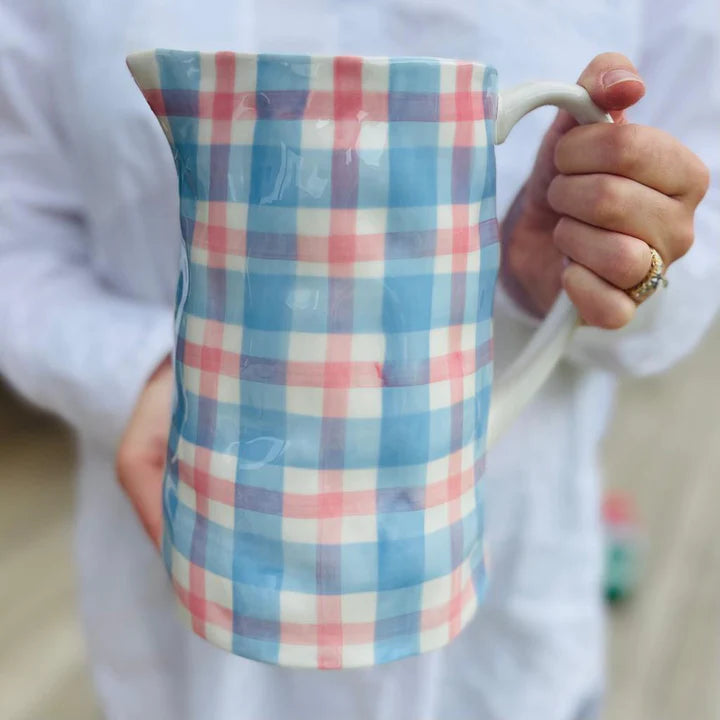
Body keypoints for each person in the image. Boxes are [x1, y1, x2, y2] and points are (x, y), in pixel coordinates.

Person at [0, 0, 716, 718]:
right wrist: (146, 370)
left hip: (498, 656)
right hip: (183, 638)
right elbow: (17, 245)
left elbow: (698, 230)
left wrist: (590, 263)